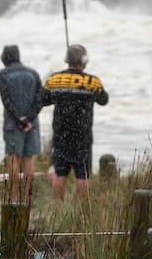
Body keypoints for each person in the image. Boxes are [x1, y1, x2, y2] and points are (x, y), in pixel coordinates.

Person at [43, 44, 109, 207]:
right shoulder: (92, 81)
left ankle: (58, 206)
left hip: (61, 133)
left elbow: (43, 100)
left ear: (67, 60)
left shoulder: (55, 79)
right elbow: (103, 100)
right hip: (83, 134)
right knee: (83, 174)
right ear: (85, 60)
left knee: (60, 172)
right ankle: (80, 209)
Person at [0, 44, 44, 202]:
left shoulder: (3, 74)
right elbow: (40, 100)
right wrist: (29, 119)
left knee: (13, 158)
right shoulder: (33, 73)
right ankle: (27, 198)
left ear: (5, 57)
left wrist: (18, 120)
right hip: (32, 124)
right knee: (28, 159)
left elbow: (6, 101)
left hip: (13, 124)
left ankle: (14, 197)